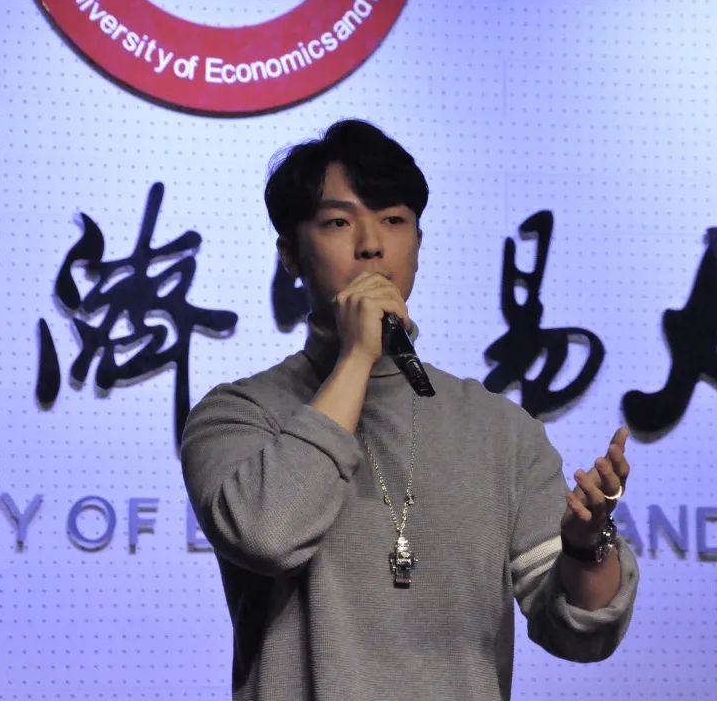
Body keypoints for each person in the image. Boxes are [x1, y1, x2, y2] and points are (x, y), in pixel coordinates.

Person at [181, 119, 639, 701]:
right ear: (290, 253)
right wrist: (357, 355)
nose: (371, 245)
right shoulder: (237, 414)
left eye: (394, 220)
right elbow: (267, 536)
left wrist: (585, 546)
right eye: (338, 222)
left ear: (418, 245)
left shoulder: (499, 429)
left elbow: (579, 633)